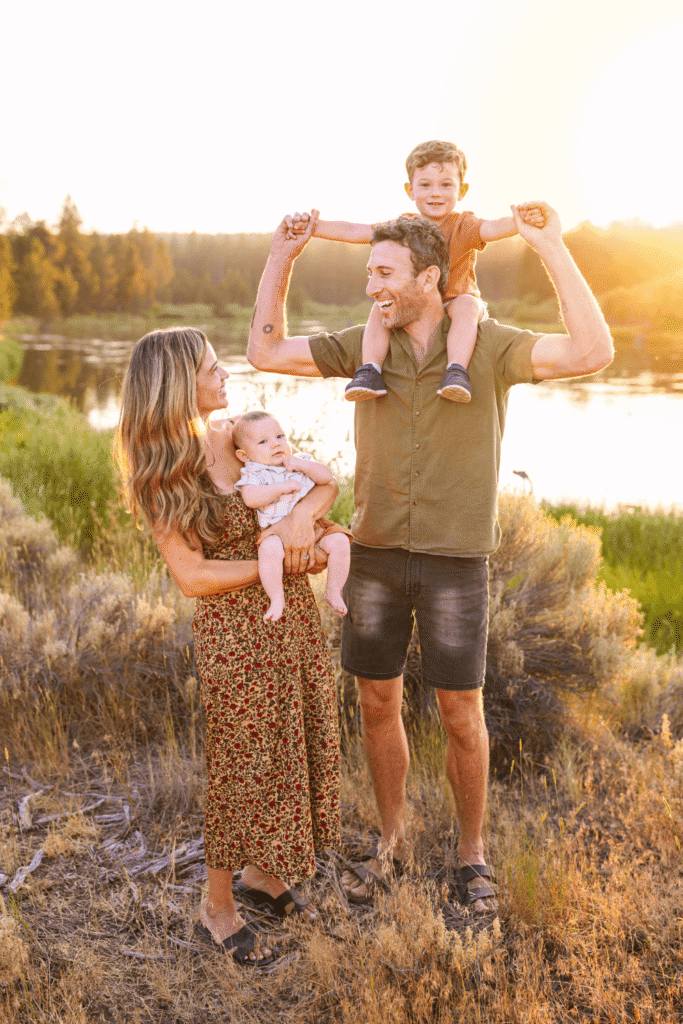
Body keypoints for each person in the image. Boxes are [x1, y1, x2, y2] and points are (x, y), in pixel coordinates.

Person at [246, 203, 613, 913]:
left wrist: (551, 249)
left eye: (383, 273)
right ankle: (393, 839)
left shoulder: (490, 345)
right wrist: (279, 258)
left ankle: (470, 854)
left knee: (458, 711)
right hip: (375, 555)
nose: (371, 286)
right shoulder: (364, 343)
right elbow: (266, 353)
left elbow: (590, 353)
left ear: (427, 276)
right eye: (368, 271)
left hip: (454, 561)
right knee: (376, 699)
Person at [114, 328, 341, 963]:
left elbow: (316, 487)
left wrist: (301, 524)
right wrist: (280, 566)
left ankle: (265, 878)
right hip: (234, 637)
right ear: (179, 384)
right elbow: (192, 577)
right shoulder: (165, 471)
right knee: (240, 764)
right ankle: (218, 907)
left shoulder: (243, 437)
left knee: (292, 744)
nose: (225, 375)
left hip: (289, 623)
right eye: (214, 368)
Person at [288, 139, 545, 404]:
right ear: (410, 190)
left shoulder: (464, 225)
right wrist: (313, 227)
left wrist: (522, 220)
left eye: (446, 184)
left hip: (458, 300)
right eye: (425, 185)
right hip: (415, 302)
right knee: (380, 306)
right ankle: (370, 371)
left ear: (462, 190)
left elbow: (492, 228)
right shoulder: (403, 227)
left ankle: (456, 371)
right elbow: (356, 230)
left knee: (467, 306)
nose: (436, 193)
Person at [232, 409, 351, 621]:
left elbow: (326, 478)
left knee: (341, 541)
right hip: (276, 532)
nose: (276, 444)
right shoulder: (255, 472)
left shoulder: (298, 461)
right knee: (269, 552)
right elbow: (251, 498)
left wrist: (302, 464)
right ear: (244, 456)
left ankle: (334, 589)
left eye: (280, 437)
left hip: (315, 526)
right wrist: (280, 488)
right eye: (263, 442)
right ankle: (277, 598)